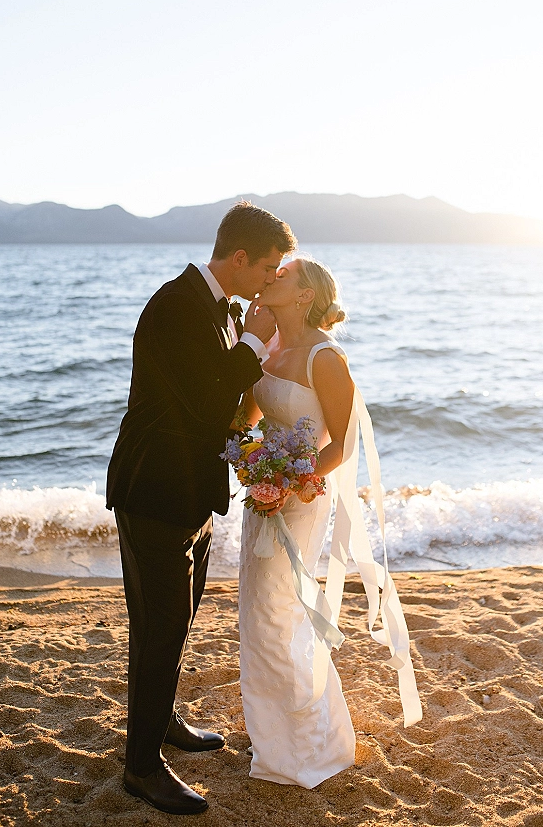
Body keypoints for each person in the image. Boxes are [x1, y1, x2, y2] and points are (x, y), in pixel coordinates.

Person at [106, 201, 297, 814]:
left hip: (190, 492)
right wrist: (252, 340)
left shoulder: (214, 305)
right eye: (268, 267)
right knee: (158, 625)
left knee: (178, 619)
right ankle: (141, 769)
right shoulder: (177, 305)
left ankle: (161, 720)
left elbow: (225, 409)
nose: (271, 278)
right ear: (239, 259)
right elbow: (206, 400)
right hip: (154, 492)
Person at [238, 256, 422, 789]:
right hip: (264, 494)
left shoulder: (325, 357)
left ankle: (310, 750)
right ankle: (274, 745)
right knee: (257, 613)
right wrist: (252, 463)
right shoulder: (271, 349)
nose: (271, 276)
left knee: (281, 613)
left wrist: (288, 483)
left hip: (301, 496)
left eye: (283, 274)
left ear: (304, 295)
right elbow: (248, 421)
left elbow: (339, 445)